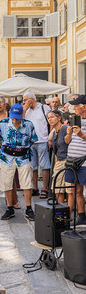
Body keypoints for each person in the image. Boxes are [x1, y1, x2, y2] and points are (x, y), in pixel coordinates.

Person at [0, 104, 38, 220]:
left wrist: (22, 148)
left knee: (26, 183)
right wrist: (8, 148)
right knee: (6, 183)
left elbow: (33, 140)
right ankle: (10, 208)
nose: (14, 119)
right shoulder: (3, 124)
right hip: (6, 157)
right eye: (13, 117)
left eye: (17, 117)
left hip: (23, 157)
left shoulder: (28, 125)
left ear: (22, 115)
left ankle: (29, 208)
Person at [23, 92, 51, 199]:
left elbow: (51, 122)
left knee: (44, 166)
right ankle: (34, 188)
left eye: (25, 100)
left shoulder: (44, 108)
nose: (24, 102)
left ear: (31, 99)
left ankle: (45, 188)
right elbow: (22, 122)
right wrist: (25, 109)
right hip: (31, 142)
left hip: (42, 140)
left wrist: (50, 138)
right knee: (33, 166)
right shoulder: (27, 111)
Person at [64, 95, 86, 226]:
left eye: (76, 105)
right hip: (72, 161)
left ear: (84, 107)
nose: (74, 108)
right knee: (76, 190)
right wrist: (69, 134)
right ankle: (81, 217)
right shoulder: (74, 120)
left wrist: (81, 135)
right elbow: (67, 142)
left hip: (84, 162)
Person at [47, 110, 72, 205]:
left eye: (52, 117)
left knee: (70, 190)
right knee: (57, 189)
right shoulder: (54, 132)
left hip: (68, 162)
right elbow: (55, 151)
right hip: (59, 162)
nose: (50, 119)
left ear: (59, 118)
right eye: (48, 118)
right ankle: (61, 211)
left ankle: (69, 214)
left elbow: (69, 142)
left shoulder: (65, 128)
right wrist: (57, 163)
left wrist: (69, 135)